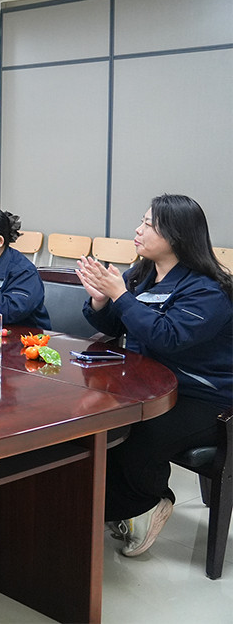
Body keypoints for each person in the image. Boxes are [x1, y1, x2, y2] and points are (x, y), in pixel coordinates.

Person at [77, 194, 232, 559]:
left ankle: (147, 504)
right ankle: (117, 506)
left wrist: (120, 295)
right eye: (142, 221)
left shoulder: (208, 290)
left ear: (176, 235)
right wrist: (102, 300)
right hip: (151, 386)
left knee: (141, 433)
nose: (138, 229)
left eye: (149, 224)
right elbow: (118, 323)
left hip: (203, 397)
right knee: (102, 427)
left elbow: (169, 337)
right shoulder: (143, 273)